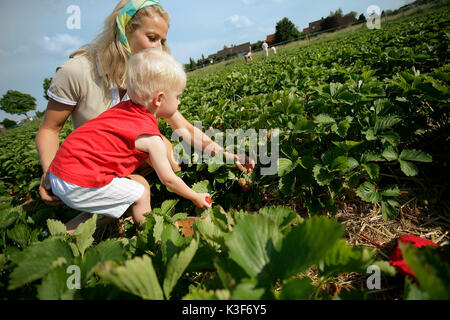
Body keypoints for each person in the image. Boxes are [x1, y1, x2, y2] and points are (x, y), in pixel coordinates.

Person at [36, 0, 255, 231]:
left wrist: (227, 154)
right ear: (124, 31)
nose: (158, 48)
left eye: (163, 41)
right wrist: (50, 173)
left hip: (115, 158)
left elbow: (183, 127)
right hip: (86, 163)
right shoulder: (76, 72)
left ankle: (125, 208)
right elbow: (50, 129)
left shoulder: (144, 75)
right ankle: (67, 232)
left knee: (168, 156)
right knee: (141, 184)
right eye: (152, 38)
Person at [48, 48, 212, 234]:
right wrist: (195, 196)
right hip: (77, 181)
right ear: (159, 99)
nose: (179, 102)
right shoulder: (150, 138)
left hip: (60, 170)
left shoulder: (123, 108)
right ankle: (151, 236)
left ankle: (57, 233)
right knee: (140, 193)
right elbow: (169, 180)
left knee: (127, 193)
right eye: (178, 97)